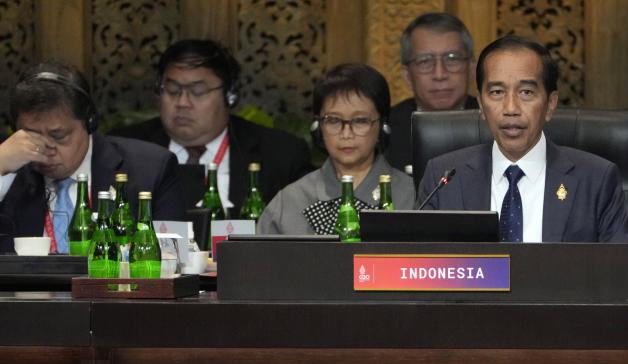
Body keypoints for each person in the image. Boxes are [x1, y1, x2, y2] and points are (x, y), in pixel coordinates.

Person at [417, 35, 628, 243]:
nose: (511, 108)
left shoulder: (597, 179)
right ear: (481, 105)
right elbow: (420, 266)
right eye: (496, 92)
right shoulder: (443, 179)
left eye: (526, 92)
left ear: (550, 104)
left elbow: (623, 270)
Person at [0, 62, 185, 251]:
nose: (45, 149)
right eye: (32, 136)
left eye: (58, 136)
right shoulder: (8, 172)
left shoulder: (151, 169)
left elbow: (173, 258)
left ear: (89, 123)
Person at [112, 39, 312, 212]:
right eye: (172, 90)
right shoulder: (121, 151)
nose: (182, 102)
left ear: (230, 95)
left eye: (198, 91)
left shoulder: (281, 156)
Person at [258, 63, 414, 234]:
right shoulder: (290, 202)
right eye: (333, 121)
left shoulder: (412, 196)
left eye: (360, 121)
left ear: (382, 125)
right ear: (318, 127)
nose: (346, 134)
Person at [385, 12, 478, 172]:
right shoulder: (386, 131)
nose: (440, 74)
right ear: (407, 75)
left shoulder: (495, 122)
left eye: (452, 58)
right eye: (425, 61)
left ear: (471, 69)